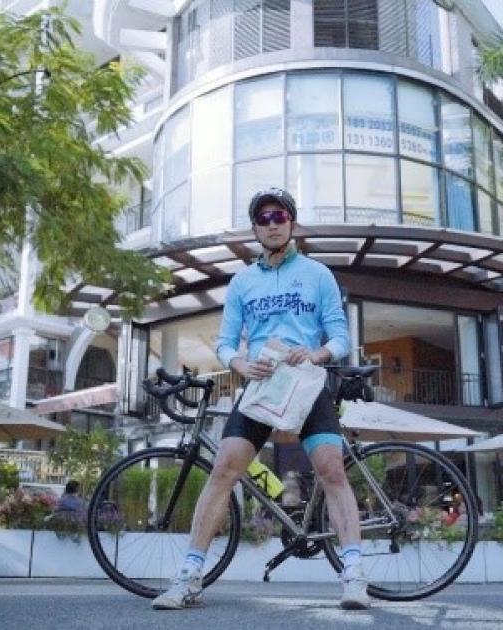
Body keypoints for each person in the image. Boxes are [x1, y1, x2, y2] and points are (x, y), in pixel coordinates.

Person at [152, 187, 369, 611]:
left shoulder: (317, 274)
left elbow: (341, 336)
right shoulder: (243, 281)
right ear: (255, 227)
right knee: (224, 467)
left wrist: (319, 352)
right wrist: (240, 363)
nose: (273, 223)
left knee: (331, 470)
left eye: (280, 216)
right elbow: (226, 343)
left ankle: (354, 574)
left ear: (291, 222)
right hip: (262, 383)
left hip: (307, 382)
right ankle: (189, 575)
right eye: (264, 218)